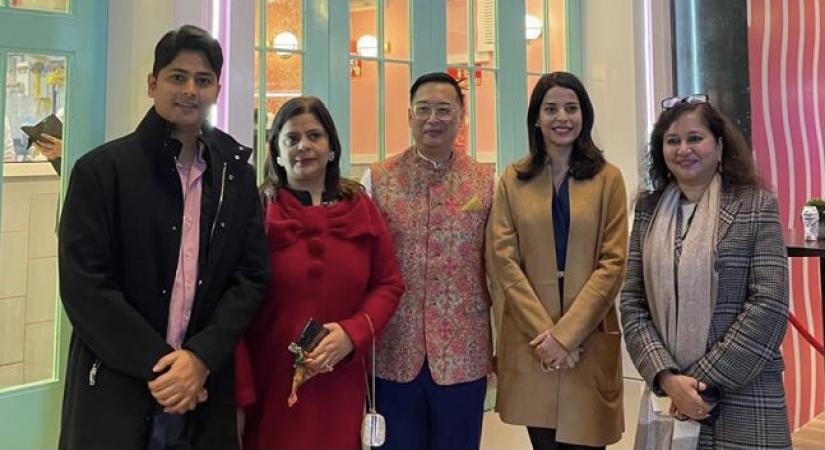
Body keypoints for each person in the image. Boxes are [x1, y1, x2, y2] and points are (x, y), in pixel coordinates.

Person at [58, 24, 269, 450]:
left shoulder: (236, 177)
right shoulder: (102, 171)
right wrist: (165, 369)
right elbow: (85, 287)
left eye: (203, 80)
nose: (190, 90)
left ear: (217, 89)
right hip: (120, 383)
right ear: (153, 83)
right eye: (177, 76)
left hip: (204, 389)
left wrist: (200, 358)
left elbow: (250, 277)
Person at [620, 95, 791, 449]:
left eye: (695, 138)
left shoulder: (756, 205)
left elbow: (769, 305)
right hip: (668, 400)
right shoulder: (649, 210)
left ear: (719, 145)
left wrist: (697, 384)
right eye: (672, 140)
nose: (684, 149)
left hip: (744, 397)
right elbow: (633, 303)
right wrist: (667, 379)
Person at [234, 96, 403, 450]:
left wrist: (352, 335)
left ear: (331, 147)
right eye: (291, 138)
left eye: (314, 136)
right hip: (272, 381)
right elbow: (234, 300)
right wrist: (240, 392)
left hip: (342, 376)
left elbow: (388, 284)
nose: (304, 146)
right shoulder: (256, 211)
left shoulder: (362, 206)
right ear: (276, 152)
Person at [486, 72, 627, 450]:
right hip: (534, 339)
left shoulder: (608, 179)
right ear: (536, 117)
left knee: (587, 440)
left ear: (584, 116)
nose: (561, 117)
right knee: (543, 441)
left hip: (588, 337)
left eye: (571, 108)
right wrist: (547, 337)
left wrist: (566, 337)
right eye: (551, 109)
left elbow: (613, 263)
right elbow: (503, 261)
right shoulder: (512, 180)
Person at [361, 72, 494, 450]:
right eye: (423, 109)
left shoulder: (486, 181)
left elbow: (499, 270)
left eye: (444, 109)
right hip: (392, 351)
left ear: (461, 115)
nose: (433, 119)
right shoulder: (377, 178)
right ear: (409, 115)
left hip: (463, 353)